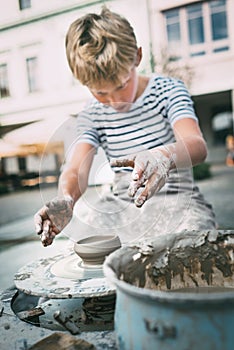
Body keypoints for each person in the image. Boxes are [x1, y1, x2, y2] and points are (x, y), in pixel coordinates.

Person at [34, 6, 217, 247]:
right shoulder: (92, 112)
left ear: (137, 57)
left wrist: (161, 155)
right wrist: (66, 198)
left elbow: (196, 146)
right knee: (86, 242)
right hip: (121, 203)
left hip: (177, 199)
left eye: (121, 85)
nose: (112, 100)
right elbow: (76, 168)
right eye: (99, 92)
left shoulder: (168, 90)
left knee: (195, 242)